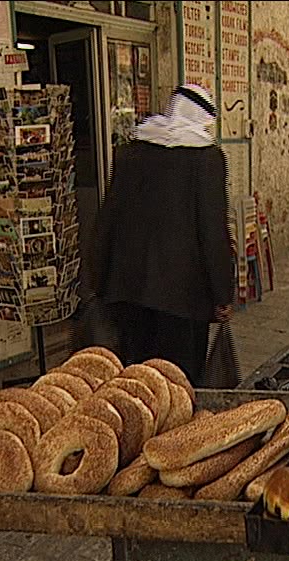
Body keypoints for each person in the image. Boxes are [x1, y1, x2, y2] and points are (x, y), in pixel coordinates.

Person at [91, 84, 235, 387]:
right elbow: (213, 233)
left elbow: (108, 219)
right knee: (179, 384)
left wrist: (97, 279)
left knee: (136, 381)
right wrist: (223, 293)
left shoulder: (130, 154)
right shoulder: (206, 160)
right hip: (183, 297)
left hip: (128, 289)